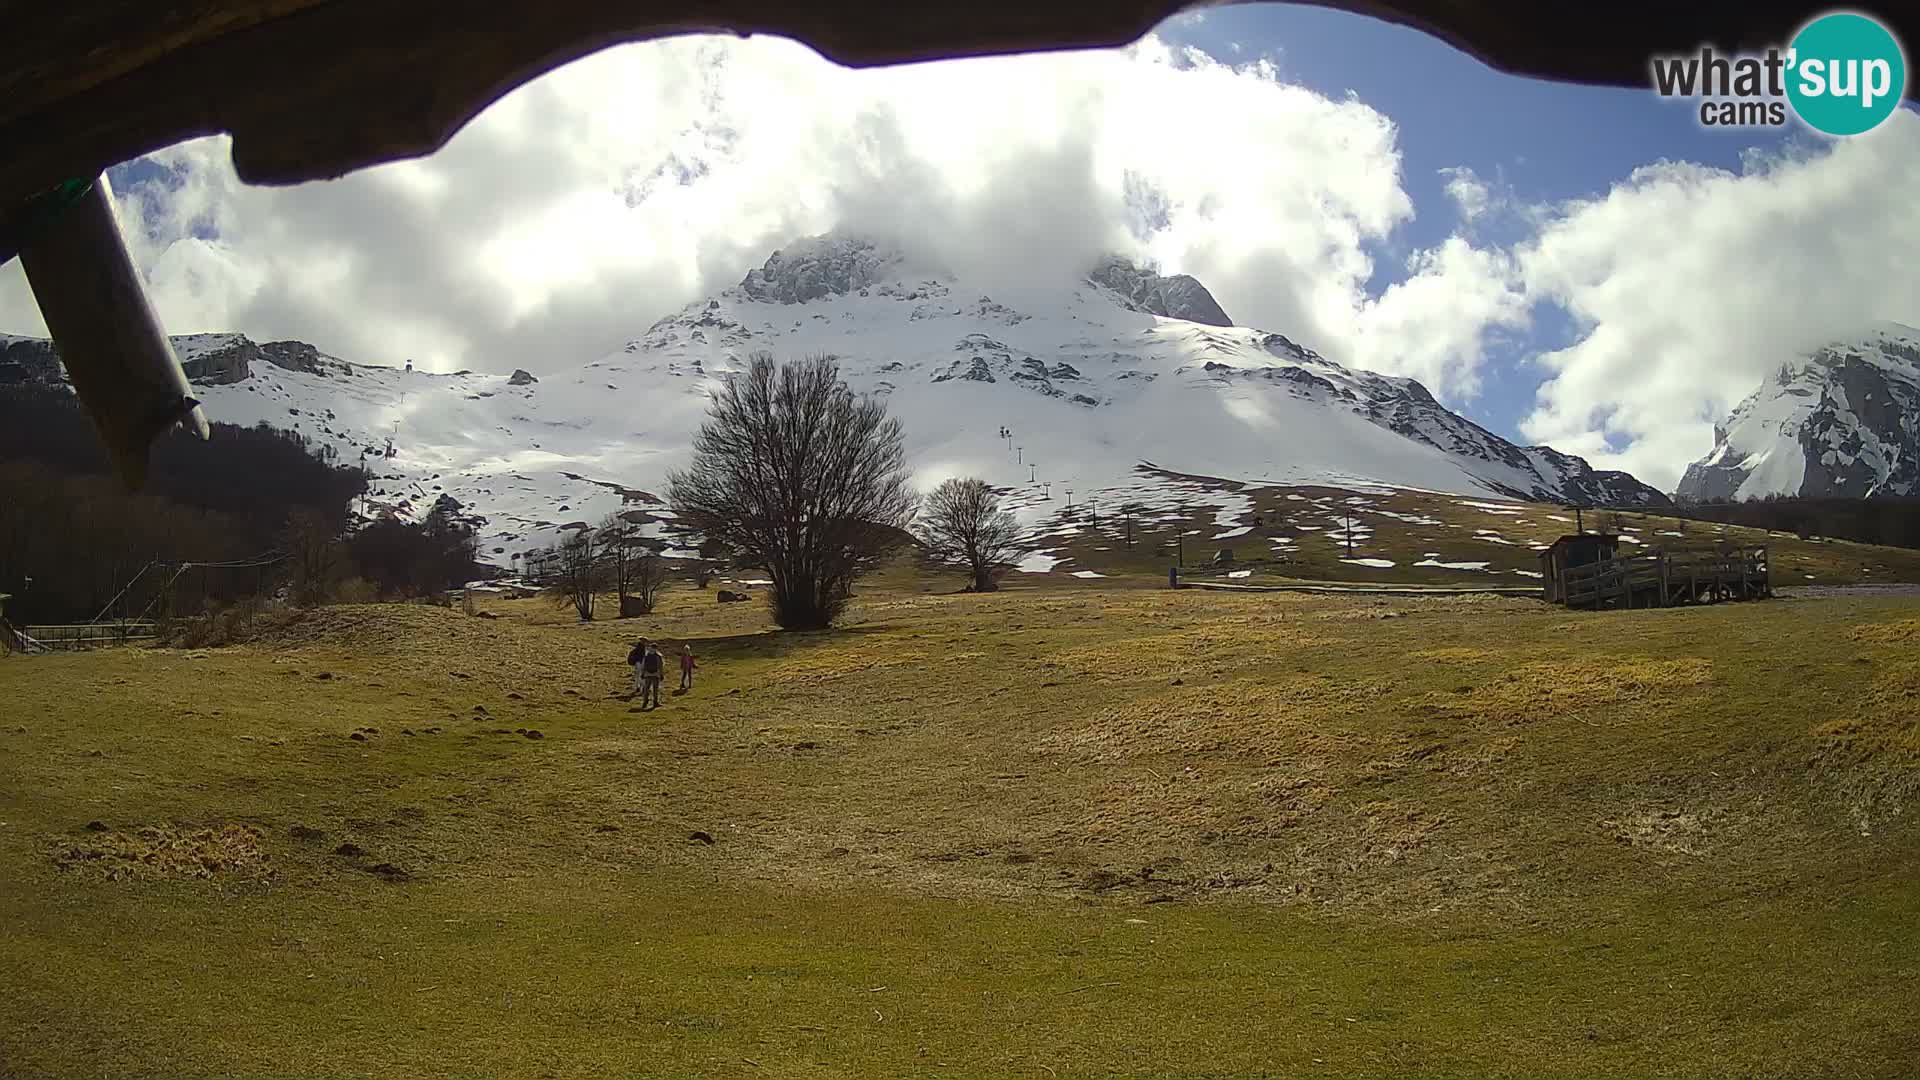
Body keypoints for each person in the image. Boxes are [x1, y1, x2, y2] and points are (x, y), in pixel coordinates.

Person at [639, 642, 665, 708]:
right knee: (655, 689)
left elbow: (643, 665)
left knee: (646, 689)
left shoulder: (646, 655)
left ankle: (645, 702)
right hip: (655, 674)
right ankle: (655, 702)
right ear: (656, 648)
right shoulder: (658, 656)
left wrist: (642, 673)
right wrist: (661, 675)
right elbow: (660, 666)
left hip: (647, 674)